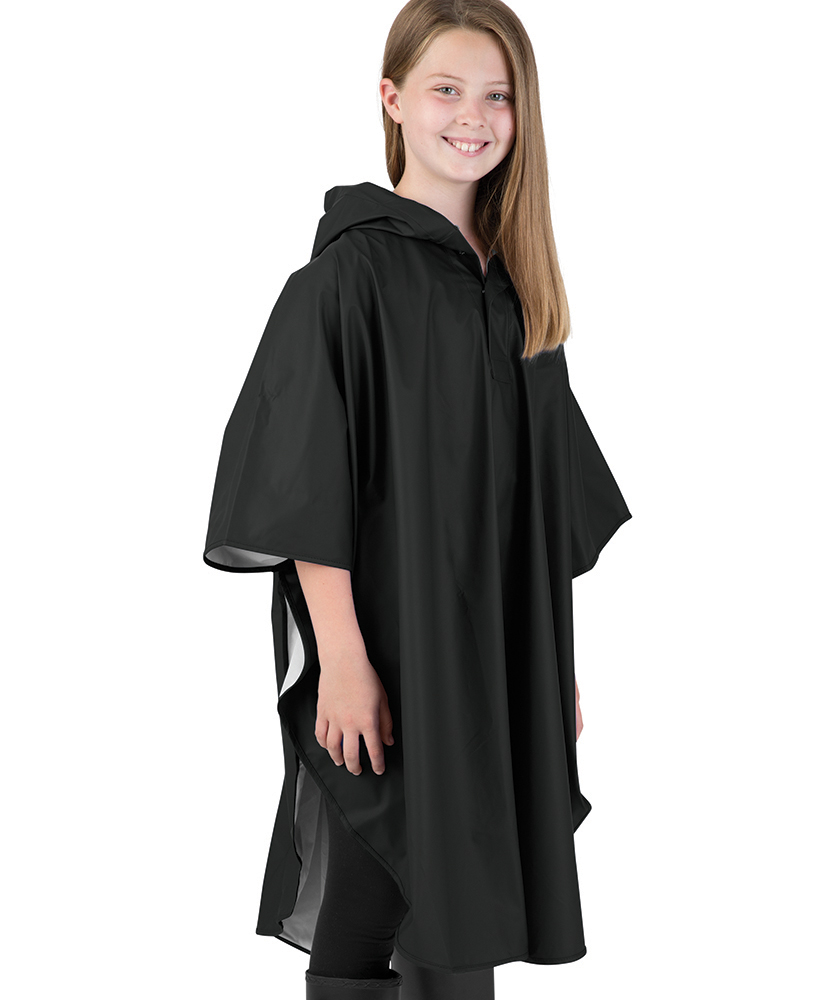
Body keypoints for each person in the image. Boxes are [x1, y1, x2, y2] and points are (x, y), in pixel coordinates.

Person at [202, 2, 632, 998]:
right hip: (392, 646)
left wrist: (548, 662)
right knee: (380, 883)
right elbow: (306, 481)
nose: (473, 116)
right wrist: (344, 662)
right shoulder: (346, 279)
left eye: (498, 96)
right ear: (393, 100)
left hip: (491, 649)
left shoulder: (517, 294)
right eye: (447, 89)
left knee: (461, 887)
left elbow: (535, 500)